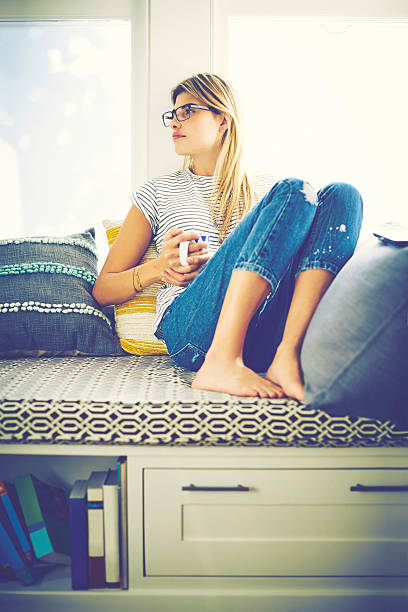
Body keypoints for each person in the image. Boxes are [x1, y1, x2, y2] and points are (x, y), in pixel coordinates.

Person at [92, 72, 363, 401]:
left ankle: (287, 356)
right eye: (172, 114)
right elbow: (103, 290)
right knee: (296, 190)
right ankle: (221, 359)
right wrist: (158, 268)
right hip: (194, 331)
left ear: (223, 119)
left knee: (342, 195)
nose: (175, 122)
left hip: (264, 333)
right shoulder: (158, 191)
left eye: (188, 111)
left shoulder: (272, 193)